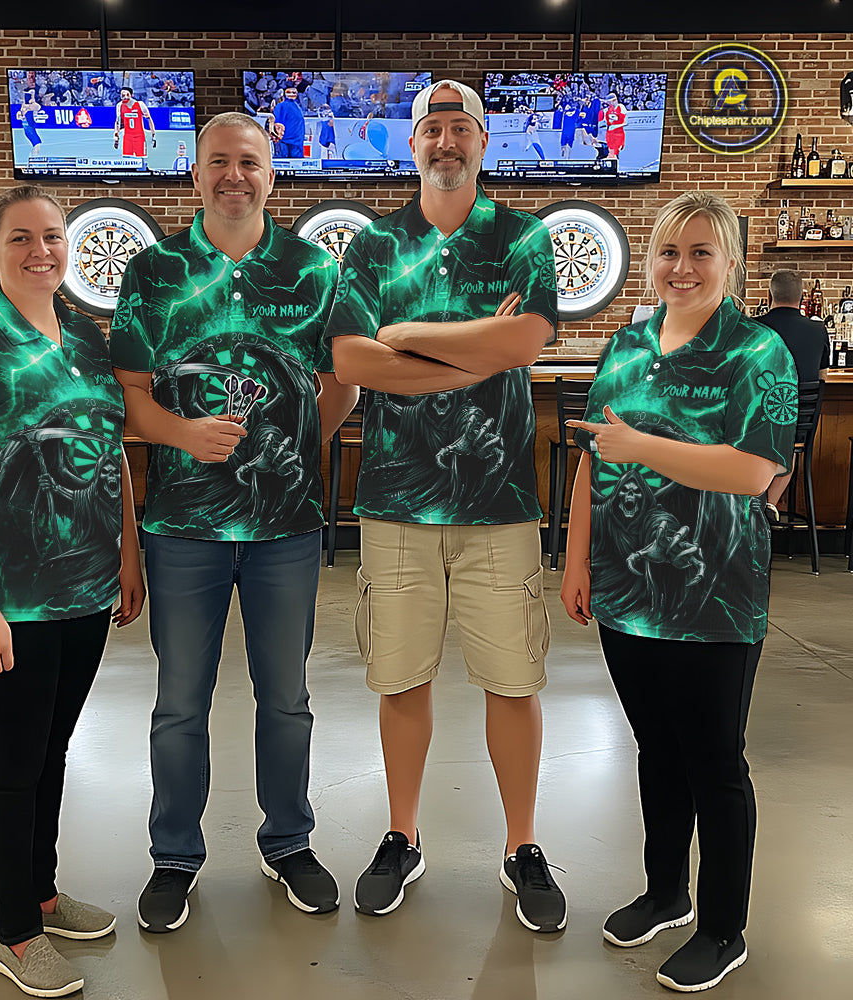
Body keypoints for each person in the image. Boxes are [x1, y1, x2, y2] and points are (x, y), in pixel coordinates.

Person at [110, 112, 358, 932]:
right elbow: (130, 395)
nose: (233, 175)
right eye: (218, 161)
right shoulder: (153, 271)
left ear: (271, 175)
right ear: (194, 174)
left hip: (287, 529)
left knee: (285, 698)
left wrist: (291, 454)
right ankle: (174, 855)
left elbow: (342, 381)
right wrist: (183, 435)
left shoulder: (314, 271)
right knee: (180, 702)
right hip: (182, 528)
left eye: (249, 161)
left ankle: (289, 841)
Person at [327, 80, 566, 930]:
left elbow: (526, 339)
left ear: (483, 143)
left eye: (461, 126)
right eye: (432, 127)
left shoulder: (523, 236)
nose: (446, 140)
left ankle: (522, 845)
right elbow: (350, 361)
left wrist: (406, 336)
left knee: (513, 680)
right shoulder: (373, 245)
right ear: (413, 144)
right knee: (401, 678)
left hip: (500, 502)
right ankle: (403, 834)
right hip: (396, 501)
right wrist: (473, 355)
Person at [561, 192, 798, 993]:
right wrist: (576, 559)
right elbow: (594, 458)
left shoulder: (759, 352)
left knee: (714, 762)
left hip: (716, 597)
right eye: (669, 251)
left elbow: (753, 470)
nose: (683, 268)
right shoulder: (626, 346)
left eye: (701, 252)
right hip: (627, 591)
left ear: (732, 264)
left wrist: (643, 447)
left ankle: (722, 928)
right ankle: (665, 892)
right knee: (656, 750)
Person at [0, 185, 146, 998]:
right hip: (5, 600)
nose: (40, 251)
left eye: (52, 237)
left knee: (53, 751)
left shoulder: (84, 339)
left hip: (83, 590)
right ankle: (15, 933)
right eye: (21, 238)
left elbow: (110, 449)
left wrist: (127, 554)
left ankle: (42, 893)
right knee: (13, 764)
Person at [756, 269, 830, 520]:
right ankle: (770, 503)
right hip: (798, 427)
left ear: (769, 295)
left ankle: (751, 504)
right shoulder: (818, 330)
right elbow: (822, 377)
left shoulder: (754, 328)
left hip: (757, 425)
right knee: (788, 438)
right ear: (802, 297)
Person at [114, 86, 155, 159]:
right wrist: (116, 136)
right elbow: (117, 121)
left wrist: (153, 134)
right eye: (123, 95)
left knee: (141, 157)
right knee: (127, 158)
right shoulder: (119, 105)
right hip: (127, 136)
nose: (125, 97)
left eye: (127, 95)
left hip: (139, 136)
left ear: (131, 95)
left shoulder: (140, 104)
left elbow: (149, 119)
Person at [270, 85, 306, 158]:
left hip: (284, 141)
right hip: (297, 140)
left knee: (281, 162)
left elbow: (276, 123)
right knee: (297, 163)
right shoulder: (297, 107)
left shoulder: (280, 106)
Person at [598, 92, 627, 163]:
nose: (609, 104)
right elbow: (602, 119)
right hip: (609, 133)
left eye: (610, 102)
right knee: (609, 150)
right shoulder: (608, 109)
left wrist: (615, 126)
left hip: (618, 132)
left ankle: (615, 164)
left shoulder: (621, 107)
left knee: (616, 150)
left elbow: (624, 121)